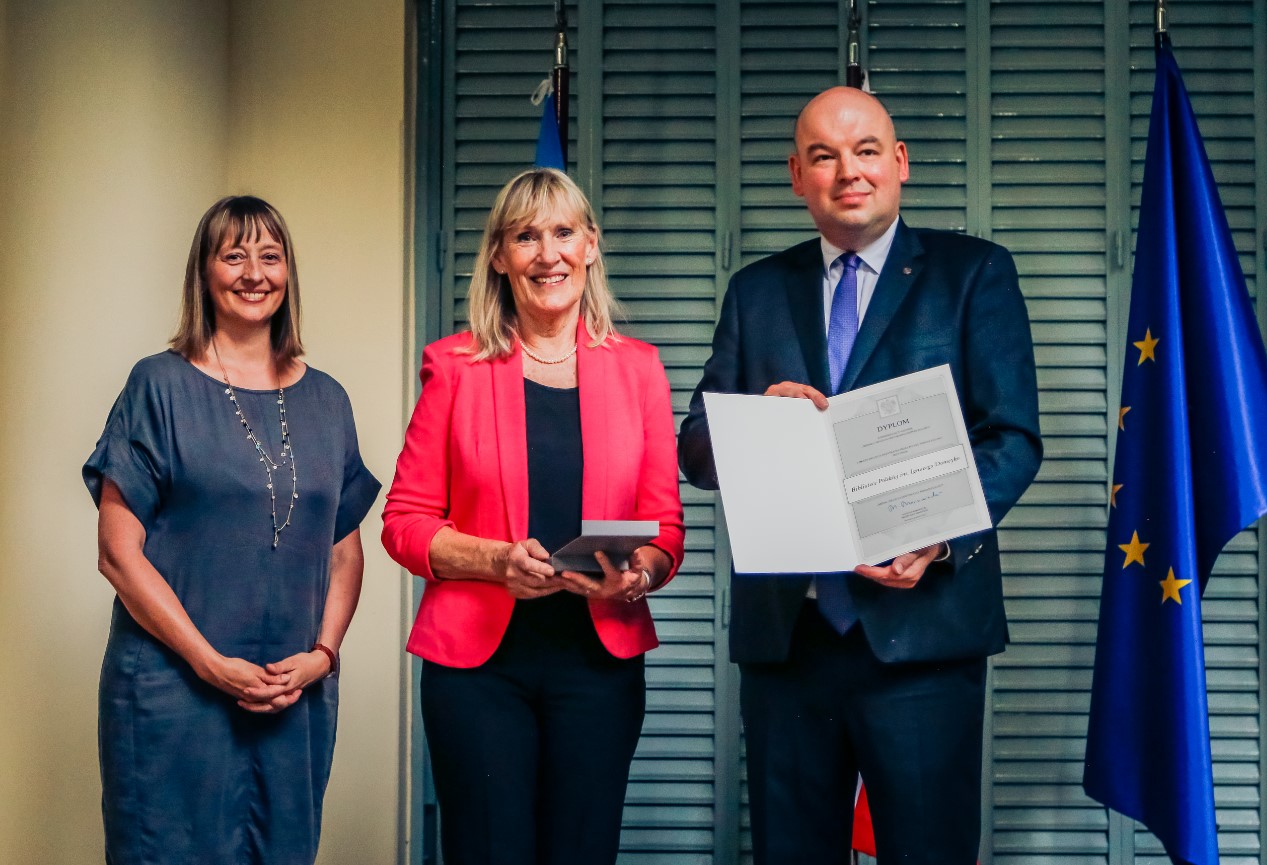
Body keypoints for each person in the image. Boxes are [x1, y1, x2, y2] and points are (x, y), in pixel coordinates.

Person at [679, 86, 1043, 864]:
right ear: (797, 176)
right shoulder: (755, 291)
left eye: (866, 150)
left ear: (899, 161)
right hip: (789, 641)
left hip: (924, 634)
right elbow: (696, 450)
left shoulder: (973, 273)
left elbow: (1011, 437)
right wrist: (755, 420)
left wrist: (936, 537)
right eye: (823, 155)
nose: (848, 171)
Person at [381, 167, 685, 865]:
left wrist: (637, 574)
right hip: (478, 672)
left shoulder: (639, 369)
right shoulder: (453, 367)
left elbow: (664, 525)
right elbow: (404, 520)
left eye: (563, 233)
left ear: (590, 246)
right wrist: (495, 561)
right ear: (499, 256)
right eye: (525, 237)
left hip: (599, 665)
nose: (548, 254)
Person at [84, 195, 381, 864]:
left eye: (270, 256)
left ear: (288, 273)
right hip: (173, 695)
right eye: (234, 255)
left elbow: (344, 552)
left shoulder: (328, 399)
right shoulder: (157, 386)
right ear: (204, 271)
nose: (254, 273)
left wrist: (323, 654)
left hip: (292, 698)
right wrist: (208, 662)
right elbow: (117, 553)